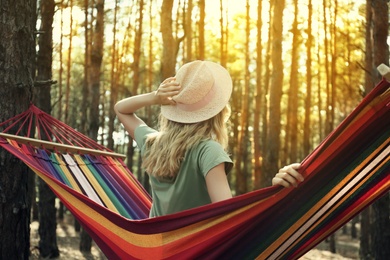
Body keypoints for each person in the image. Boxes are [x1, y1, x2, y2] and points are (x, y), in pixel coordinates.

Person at [115, 60, 303, 217]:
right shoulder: (208, 150)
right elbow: (226, 214)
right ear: (217, 112)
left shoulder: (152, 142)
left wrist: (155, 97)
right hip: (193, 250)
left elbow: (121, 109)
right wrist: (273, 194)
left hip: (154, 247)